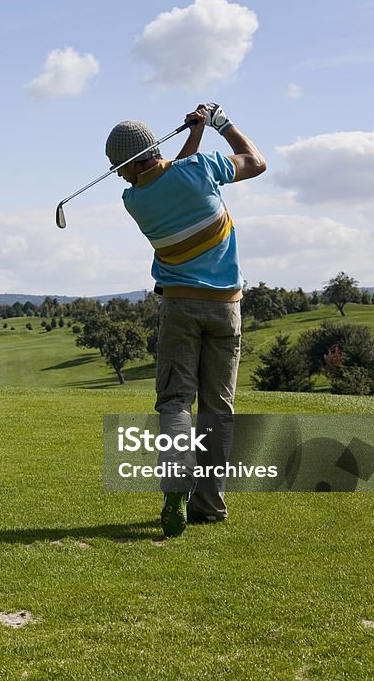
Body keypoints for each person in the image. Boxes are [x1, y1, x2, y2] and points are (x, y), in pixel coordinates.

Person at [105, 104, 266, 537]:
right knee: (218, 408)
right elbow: (255, 162)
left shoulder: (134, 200)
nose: (117, 174)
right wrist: (219, 124)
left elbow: (167, 173)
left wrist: (192, 136)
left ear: (134, 162)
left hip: (178, 308)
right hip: (226, 309)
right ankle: (209, 504)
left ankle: (175, 485)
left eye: (118, 165)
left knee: (176, 402)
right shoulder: (200, 169)